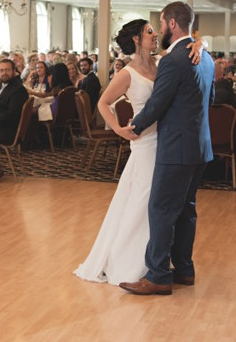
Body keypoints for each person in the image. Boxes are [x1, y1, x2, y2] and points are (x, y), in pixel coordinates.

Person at [75, 18, 203, 286]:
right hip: (145, 143)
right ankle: (132, 265)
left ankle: (156, 261)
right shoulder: (127, 73)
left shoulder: (165, 62)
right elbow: (103, 103)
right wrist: (118, 129)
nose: (155, 35)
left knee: (163, 205)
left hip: (168, 140)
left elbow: (187, 48)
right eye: (149, 32)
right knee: (146, 202)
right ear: (136, 39)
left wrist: (201, 44)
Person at [118, 2, 214, 296]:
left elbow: (157, 104)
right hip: (200, 146)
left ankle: (158, 275)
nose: (158, 29)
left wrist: (134, 126)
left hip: (175, 148)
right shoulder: (205, 56)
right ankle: (184, 269)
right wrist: (202, 42)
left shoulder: (174, 61)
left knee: (160, 209)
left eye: (160, 23)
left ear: (172, 23)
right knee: (186, 210)